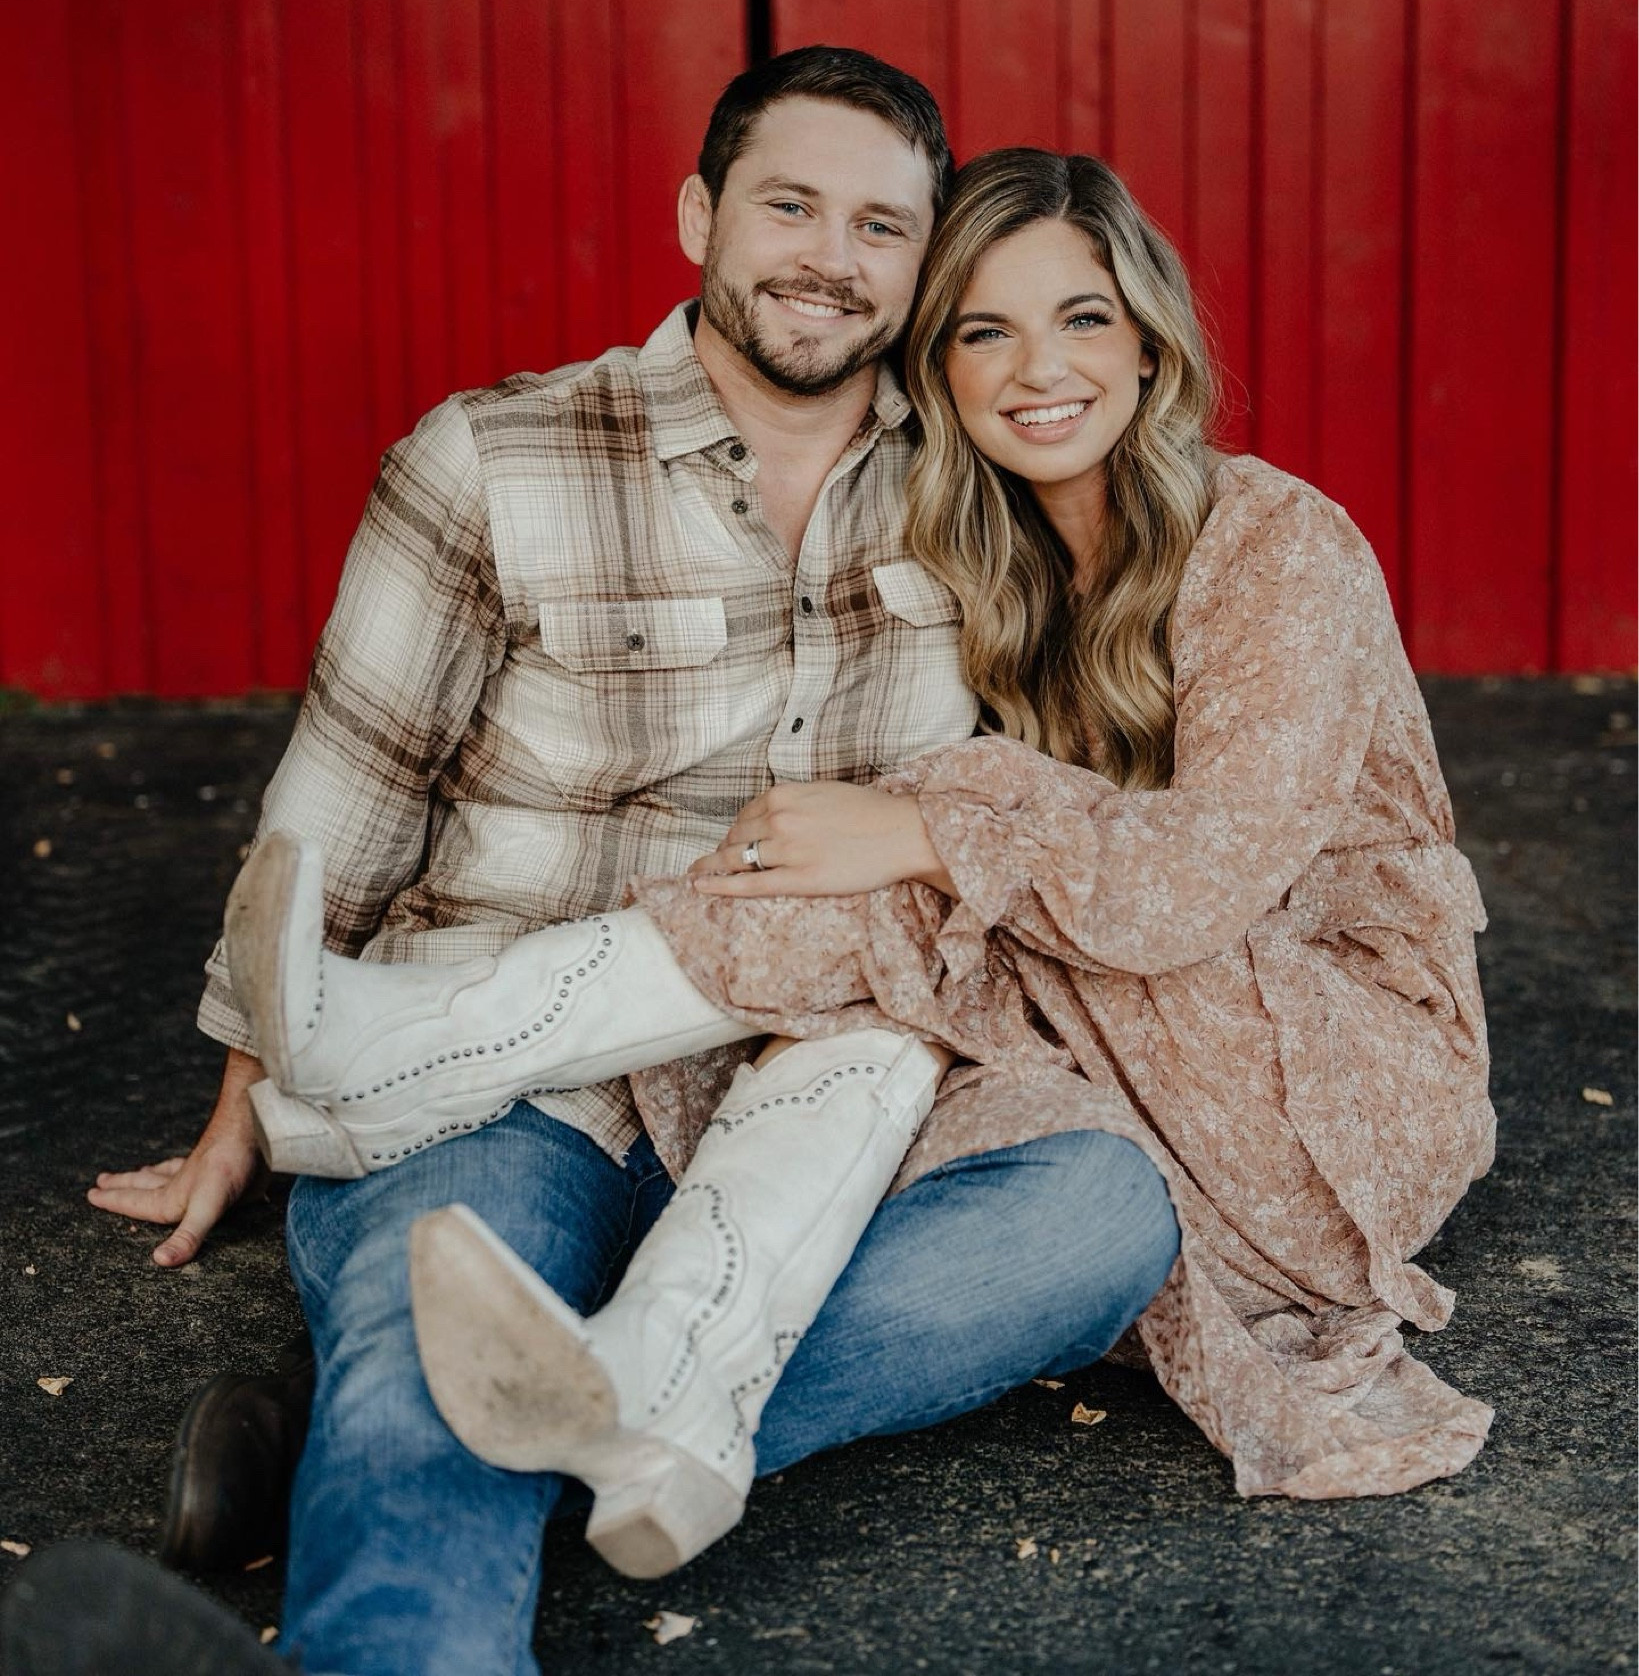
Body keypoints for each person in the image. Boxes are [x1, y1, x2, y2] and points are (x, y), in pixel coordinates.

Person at [49, 59, 1182, 1676]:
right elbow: (339, 808)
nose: (830, 257)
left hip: (829, 1088)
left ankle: (398, 1428)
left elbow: (1084, 764)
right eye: (789, 204)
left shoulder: (985, 481)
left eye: (883, 225)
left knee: (1100, 1215)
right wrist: (249, 1102)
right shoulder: (497, 456)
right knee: (446, 1347)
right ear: (700, 215)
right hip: (512, 1072)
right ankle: (431, 1504)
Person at [228, 147, 1497, 1579]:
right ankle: (649, 1388)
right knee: (898, 976)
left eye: (1081, 317)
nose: (1039, 367)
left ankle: (396, 1058)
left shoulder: (1274, 543)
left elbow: (1199, 878)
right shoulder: (983, 557)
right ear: (935, 368)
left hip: (1326, 1067)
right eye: (983, 329)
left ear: (1148, 342)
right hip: (1114, 1011)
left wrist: (927, 830)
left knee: (929, 835)